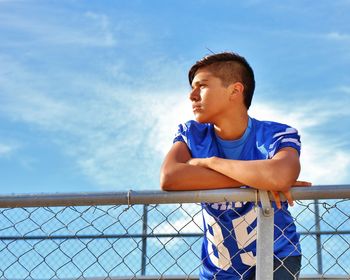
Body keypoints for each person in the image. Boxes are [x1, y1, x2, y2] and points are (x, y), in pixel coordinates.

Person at [160, 52, 311, 279]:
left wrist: (211, 163)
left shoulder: (276, 133)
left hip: (276, 256)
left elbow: (281, 175)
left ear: (235, 90)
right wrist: (260, 181)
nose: (192, 95)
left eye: (202, 86)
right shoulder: (191, 133)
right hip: (219, 268)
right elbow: (170, 177)